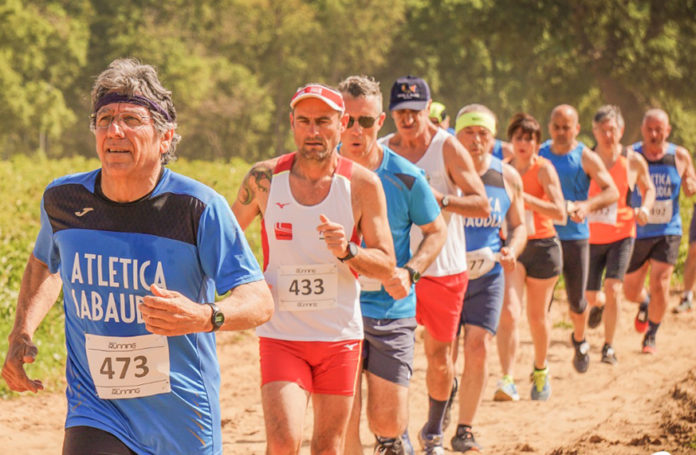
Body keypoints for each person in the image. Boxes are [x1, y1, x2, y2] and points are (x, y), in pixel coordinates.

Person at [1, 58, 274, 455]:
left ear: (166, 138)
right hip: (97, 409)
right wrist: (21, 332)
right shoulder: (64, 201)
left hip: (181, 417)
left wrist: (204, 316)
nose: (115, 130)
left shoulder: (197, 208)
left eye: (131, 119)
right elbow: (45, 263)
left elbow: (259, 301)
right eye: (104, 119)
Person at [232, 83, 396, 455]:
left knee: (327, 447)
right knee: (283, 442)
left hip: (338, 337)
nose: (313, 130)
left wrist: (348, 251)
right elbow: (224, 240)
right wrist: (244, 285)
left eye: (323, 121)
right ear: (292, 123)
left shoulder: (362, 184)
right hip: (282, 335)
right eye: (304, 121)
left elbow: (387, 263)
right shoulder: (263, 179)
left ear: (342, 125)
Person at [338, 75, 447, 455]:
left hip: (390, 309)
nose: (356, 129)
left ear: (380, 121)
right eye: (347, 120)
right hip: (335, 310)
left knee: (387, 420)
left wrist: (410, 271)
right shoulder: (318, 172)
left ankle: (392, 440)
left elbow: (437, 230)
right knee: (342, 416)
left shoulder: (405, 175)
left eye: (365, 121)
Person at [380, 75, 489, 454]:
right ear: (391, 113)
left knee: (439, 359)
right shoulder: (382, 150)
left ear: (428, 109)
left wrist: (438, 199)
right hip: (394, 272)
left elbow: (481, 203)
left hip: (443, 270)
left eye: (415, 111)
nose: (408, 119)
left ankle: (433, 430)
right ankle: (396, 435)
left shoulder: (447, 147)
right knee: (393, 358)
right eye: (401, 112)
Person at [450, 105, 526, 452]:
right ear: (457, 135)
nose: (476, 140)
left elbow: (520, 225)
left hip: (488, 275)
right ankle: (442, 407)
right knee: (444, 356)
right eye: (469, 132)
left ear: (493, 138)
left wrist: (512, 249)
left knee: (478, 347)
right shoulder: (445, 173)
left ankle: (464, 429)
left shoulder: (507, 176)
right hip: (447, 275)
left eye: (483, 133)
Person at [539, 104, 618, 373]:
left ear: (577, 128)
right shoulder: (540, 153)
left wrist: (587, 205)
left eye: (567, 127)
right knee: (542, 303)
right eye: (557, 127)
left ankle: (580, 340)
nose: (561, 132)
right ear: (549, 127)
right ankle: (540, 359)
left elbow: (612, 191)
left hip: (575, 237)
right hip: (544, 236)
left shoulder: (585, 156)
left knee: (577, 300)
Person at [496, 113, 565, 401]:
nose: (523, 143)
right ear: (511, 141)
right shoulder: (502, 169)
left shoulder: (544, 169)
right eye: (518, 138)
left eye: (529, 139)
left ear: (537, 143)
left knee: (537, 318)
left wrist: (524, 198)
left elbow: (560, 212)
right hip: (514, 246)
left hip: (543, 247)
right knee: (509, 312)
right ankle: (507, 379)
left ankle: (540, 370)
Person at [585, 105, 655, 365]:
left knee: (613, 288)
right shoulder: (586, 159)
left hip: (622, 233)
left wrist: (645, 208)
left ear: (621, 130)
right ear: (594, 131)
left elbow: (649, 189)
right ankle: (599, 305)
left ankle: (608, 346)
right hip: (590, 236)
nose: (608, 135)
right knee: (592, 296)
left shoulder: (632, 160)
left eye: (612, 130)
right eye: (602, 130)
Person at [623, 108, 696, 353]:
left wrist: (690, 184)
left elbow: (690, 185)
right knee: (630, 290)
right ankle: (645, 303)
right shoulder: (631, 155)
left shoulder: (680, 156)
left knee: (660, 281)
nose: (654, 135)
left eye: (659, 130)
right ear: (642, 130)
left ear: (668, 131)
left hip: (668, 230)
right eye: (650, 129)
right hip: (637, 230)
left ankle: (651, 335)